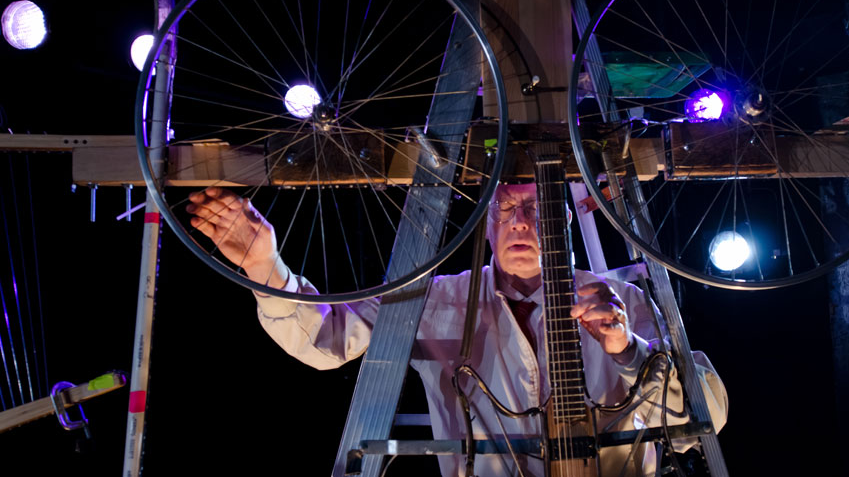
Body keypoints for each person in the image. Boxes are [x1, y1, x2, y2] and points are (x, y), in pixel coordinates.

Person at [187, 184, 727, 477]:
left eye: (539, 208)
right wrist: (266, 268)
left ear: (564, 223)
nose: (521, 221)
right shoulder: (438, 298)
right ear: (487, 223)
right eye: (508, 208)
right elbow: (325, 340)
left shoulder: (618, 299)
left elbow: (706, 418)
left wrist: (625, 346)